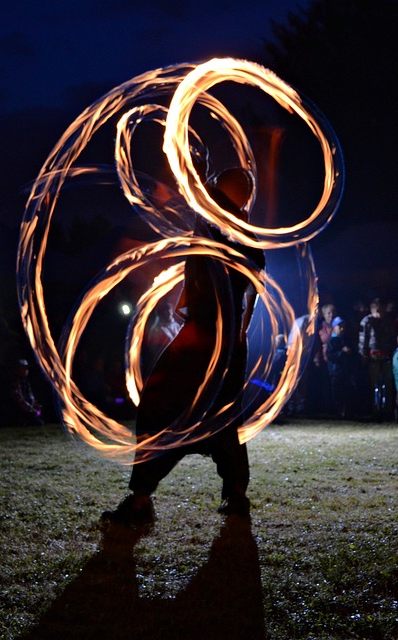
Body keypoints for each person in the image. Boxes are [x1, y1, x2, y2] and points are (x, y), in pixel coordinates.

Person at [102, 167, 266, 525]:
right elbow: (250, 295)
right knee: (221, 419)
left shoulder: (213, 225)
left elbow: (195, 196)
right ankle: (236, 494)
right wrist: (237, 338)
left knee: (163, 408)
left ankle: (142, 498)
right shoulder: (246, 237)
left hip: (202, 340)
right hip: (226, 343)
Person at [358, 298, 396, 420]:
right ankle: (375, 409)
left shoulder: (388, 321)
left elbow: (392, 337)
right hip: (373, 356)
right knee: (374, 385)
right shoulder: (367, 321)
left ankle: (387, 410)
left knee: (387, 384)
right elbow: (363, 339)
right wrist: (363, 354)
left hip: (386, 356)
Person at [325, 317, 354, 419]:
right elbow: (330, 356)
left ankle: (346, 412)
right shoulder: (332, 341)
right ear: (334, 327)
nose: (342, 329)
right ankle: (336, 412)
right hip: (336, 371)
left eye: (343, 326)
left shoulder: (345, 340)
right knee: (336, 392)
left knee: (346, 391)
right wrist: (342, 352)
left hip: (345, 371)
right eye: (339, 326)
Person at [10, 358, 44, 425]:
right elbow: (19, 400)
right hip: (21, 412)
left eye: (26, 368)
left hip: (28, 410)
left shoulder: (25, 381)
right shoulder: (15, 382)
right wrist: (32, 410)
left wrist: (36, 406)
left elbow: (31, 396)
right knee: (37, 422)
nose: (26, 370)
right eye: (23, 368)